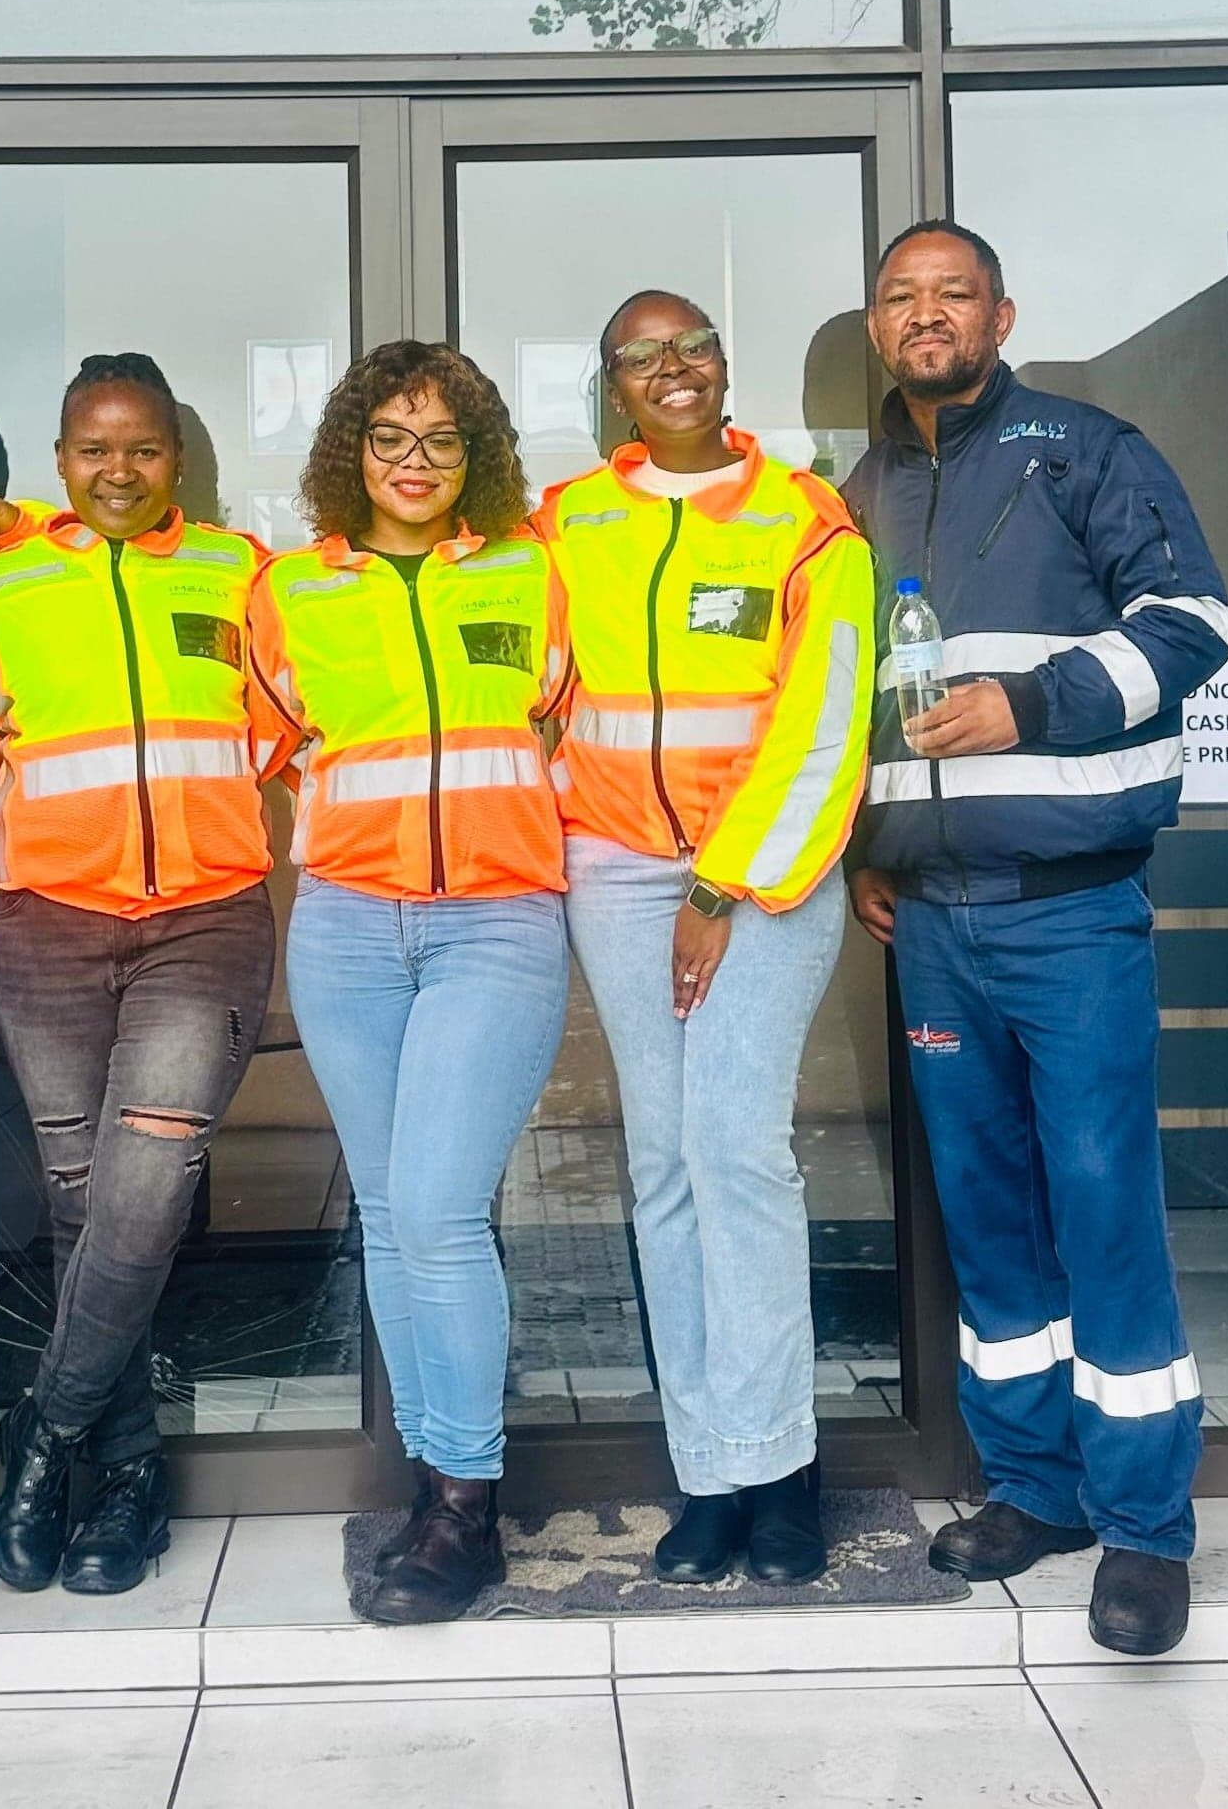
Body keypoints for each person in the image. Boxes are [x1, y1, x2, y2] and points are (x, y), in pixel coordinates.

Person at [843, 220, 1228, 1659]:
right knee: (990, 1217)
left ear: (1001, 314)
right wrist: (862, 846)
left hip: (1070, 910)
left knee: (1102, 1206)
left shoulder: (1083, 449)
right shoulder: (857, 493)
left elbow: (1193, 620)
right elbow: (842, 695)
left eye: (952, 293)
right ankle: (1035, 1486)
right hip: (928, 920)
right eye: (901, 297)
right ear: (875, 326)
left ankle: (1145, 1526)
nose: (926, 314)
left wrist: (1034, 702)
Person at [537, 292, 872, 1587]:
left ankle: (782, 1466)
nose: (671, 368)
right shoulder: (567, 521)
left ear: (722, 367)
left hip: (763, 874)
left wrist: (722, 884)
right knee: (664, 1162)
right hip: (616, 870)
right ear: (613, 385)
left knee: (735, 1148)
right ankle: (711, 1472)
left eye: (692, 347)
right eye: (642, 355)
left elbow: (826, 719)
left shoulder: (804, 518)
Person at [247, 341, 570, 1624]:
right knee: (388, 1213)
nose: (416, 461)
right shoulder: (290, 591)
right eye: (390, 437)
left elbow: (572, 721)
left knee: (438, 1210)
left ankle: (467, 1504)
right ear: (354, 450)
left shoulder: (532, 571)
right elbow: (271, 737)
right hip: (345, 928)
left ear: (476, 454)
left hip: (496, 921)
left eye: (442, 438)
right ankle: (432, 1476)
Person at [0, 352, 273, 1598]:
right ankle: (129, 1477)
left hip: (204, 917)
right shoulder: (2, 577)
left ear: (178, 458)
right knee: (84, 1207)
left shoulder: (242, 573)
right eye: (94, 449)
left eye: (142, 448)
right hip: (47, 925)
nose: (119, 470)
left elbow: (288, 720)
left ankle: (46, 1431)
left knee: (145, 1188)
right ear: (60, 459)